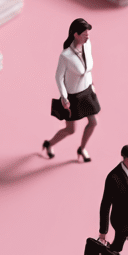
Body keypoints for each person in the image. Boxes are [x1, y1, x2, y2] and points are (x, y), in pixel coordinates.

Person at [42, 18, 100, 163]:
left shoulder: (88, 46)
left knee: (93, 122)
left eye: (88, 34)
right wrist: (64, 97)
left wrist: (91, 83)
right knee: (71, 130)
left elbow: (88, 69)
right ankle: (49, 144)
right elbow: (58, 77)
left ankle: (82, 149)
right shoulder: (65, 56)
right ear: (75, 34)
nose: (88, 36)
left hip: (87, 92)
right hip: (73, 97)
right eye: (85, 34)